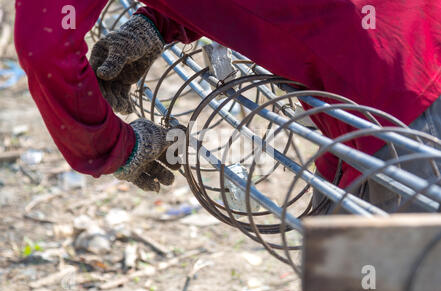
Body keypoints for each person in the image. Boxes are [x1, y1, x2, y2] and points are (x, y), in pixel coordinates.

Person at [15, 1, 441, 211]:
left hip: (396, 89)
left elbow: (44, 47)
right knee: (345, 269)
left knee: (393, 276)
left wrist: (113, 147)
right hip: (391, 57)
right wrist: (158, 23)